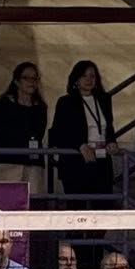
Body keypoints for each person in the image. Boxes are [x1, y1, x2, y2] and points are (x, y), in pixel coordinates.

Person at [48, 60, 118, 205]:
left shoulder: (104, 99)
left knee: (103, 206)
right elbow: (57, 133)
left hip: (101, 160)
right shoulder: (66, 102)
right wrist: (79, 145)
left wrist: (111, 141)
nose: (88, 80)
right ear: (76, 79)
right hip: (76, 161)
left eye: (92, 76)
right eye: (83, 76)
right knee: (76, 206)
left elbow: (108, 127)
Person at [0, 61, 48, 176]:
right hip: (5, 163)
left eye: (35, 78)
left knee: (34, 188)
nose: (31, 81)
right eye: (26, 78)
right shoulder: (3, 105)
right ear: (16, 81)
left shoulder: (40, 108)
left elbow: (39, 134)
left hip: (32, 163)